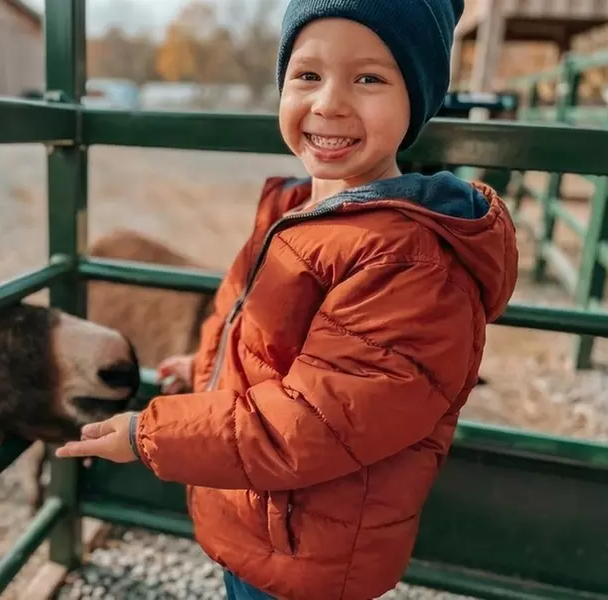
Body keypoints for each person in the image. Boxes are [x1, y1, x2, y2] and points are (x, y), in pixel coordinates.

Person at [55, 0, 519, 598]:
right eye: (307, 75)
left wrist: (150, 434)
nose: (328, 102)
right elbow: (251, 334)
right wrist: (204, 375)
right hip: (265, 516)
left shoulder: (409, 262)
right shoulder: (297, 210)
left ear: (418, 99)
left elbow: (311, 422)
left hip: (308, 550)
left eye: (369, 78)